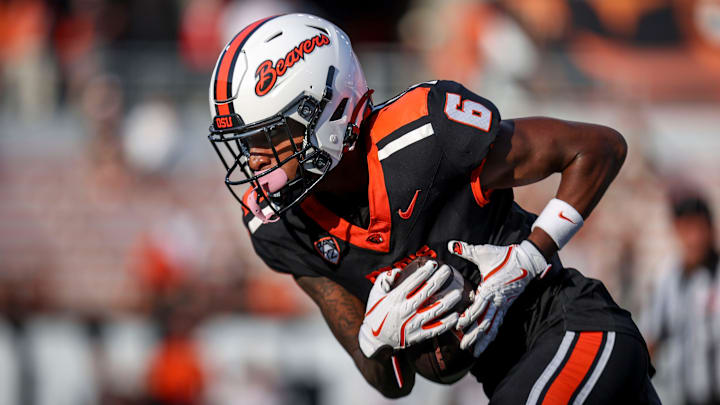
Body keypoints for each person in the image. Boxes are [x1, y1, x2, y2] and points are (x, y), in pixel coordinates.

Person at [206, 13, 659, 404]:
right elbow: (394, 383)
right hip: (511, 376)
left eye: (266, 137)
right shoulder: (285, 230)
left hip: (576, 328)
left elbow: (598, 148)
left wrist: (529, 255)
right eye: (246, 145)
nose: (255, 160)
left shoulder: (426, 135)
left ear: (327, 112)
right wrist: (375, 338)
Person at [643, 193, 719, 405]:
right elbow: (652, 339)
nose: (693, 238)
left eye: (698, 228)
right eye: (686, 229)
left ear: (710, 229)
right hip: (678, 397)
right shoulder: (667, 280)